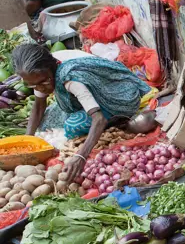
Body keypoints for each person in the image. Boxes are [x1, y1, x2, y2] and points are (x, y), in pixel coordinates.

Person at [12, 43, 152, 182]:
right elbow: (38, 107)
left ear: (51, 69)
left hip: (117, 97)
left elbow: (99, 119)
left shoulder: (71, 79)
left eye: (42, 83)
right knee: (47, 118)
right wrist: (27, 141)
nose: (39, 88)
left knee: (73, 125)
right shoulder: (41, 75)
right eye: (32, 85)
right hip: (90, 95)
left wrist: (81, 156)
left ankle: (118, 120)